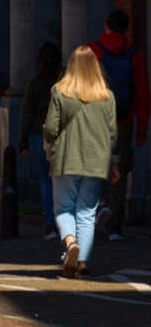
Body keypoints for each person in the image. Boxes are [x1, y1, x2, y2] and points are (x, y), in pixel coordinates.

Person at [44, 46, 118, 278]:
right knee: (87, 212)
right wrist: (113, 162)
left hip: (67, 158)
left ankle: (70, 243)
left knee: (64, 208)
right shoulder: (107, 96)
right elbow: (112, 133)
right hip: (96, 161)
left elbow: (50, 128)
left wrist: (49, 148)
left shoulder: (59, 91)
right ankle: (83, 262)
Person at [88, 10, 148, 241]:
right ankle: (115, 226)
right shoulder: (134, 55)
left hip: (95, 120)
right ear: (126, 28)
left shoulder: (92, 51)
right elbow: (142, 94)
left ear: (106, 25)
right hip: (121, 121)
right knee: (120, 173)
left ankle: (98, 207)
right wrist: (141, 129)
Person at [18, 42, 64, 237]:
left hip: (40, 134)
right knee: (63, 181)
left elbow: (27, 115)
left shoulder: (35, 84)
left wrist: (23, 141)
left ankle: (49, 224)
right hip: (62, 134)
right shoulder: (64, 82)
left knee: (46, 180)